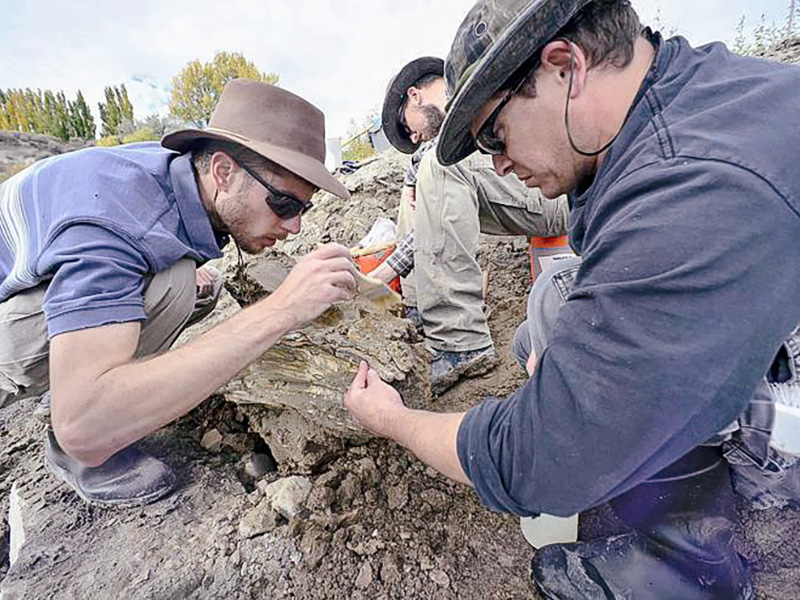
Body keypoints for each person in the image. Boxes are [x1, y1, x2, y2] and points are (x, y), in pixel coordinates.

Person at [345, 1, 800, 597]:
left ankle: (691, 569)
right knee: (550, 311)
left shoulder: (688, 191)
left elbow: (535, 458)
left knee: (583, 378)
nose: (498, 163)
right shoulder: (690, 92)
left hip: (787, 431)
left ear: (565, 66)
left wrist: (393, 419)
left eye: (494, 134)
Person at [0, 78, 357, 508]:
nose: (295, 225)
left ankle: (100, 377)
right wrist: (282, 309)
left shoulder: (176, 174)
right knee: (173, 287)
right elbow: (83, 424)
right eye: (283, 204)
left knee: (190, 283)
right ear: (223, 171)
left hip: (32, 274)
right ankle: (80, 453)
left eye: (304, 208)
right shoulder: (114, 222)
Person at [372, 56, 570, 394]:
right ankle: (421, 314)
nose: (414, 138)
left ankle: (459, 342)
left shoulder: (473, 93)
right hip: (531, 190)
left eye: (408, 127)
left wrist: (383, 273)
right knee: (418, 187)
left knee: (440, 163)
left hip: (560, 186)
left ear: (415, 96)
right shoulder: (448, 139)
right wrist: (412, 178)